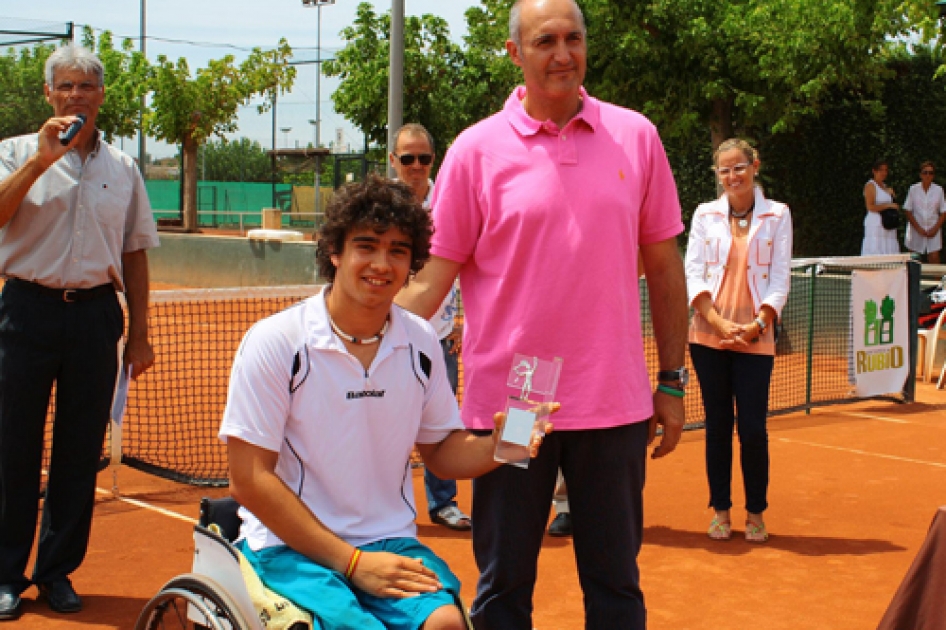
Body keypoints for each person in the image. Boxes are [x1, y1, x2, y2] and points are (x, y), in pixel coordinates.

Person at [396, 0, 689, 626]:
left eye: (574, 38)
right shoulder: (475, 151)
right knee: (503, 587)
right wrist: (339, 332)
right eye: (545, 40)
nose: (563, 54)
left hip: (615, 404)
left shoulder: (637, 137)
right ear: (515, 53)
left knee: (616, 587)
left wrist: (671, 380)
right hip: (512, 407)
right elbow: (430, 282)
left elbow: (665, 269)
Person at [220, 175, 554, 630]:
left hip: (389, 542)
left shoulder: (419, 341)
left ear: (412, 263)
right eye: (367, 246)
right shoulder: (277, 343)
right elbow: (248, 478)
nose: (382, 263)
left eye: (398, 250)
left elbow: (442, 451)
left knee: (446, 625)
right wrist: (354, 564)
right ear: (334, 252)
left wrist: (504, 443)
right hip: (290, 549)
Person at [0, 44, 158, 619]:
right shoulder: (14, 153)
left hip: (95, 318)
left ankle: (57, 572)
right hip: (24, 310)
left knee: (77, 452)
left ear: (101, 96)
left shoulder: (123, 168)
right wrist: (39, 162)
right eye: (64, 86)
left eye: (85, 87)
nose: (74, 97)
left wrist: (139, 333)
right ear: (48, 94)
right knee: (12, 446)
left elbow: (136, 252)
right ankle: (5, 575)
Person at [684, 138, 793, 543]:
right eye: (724, 170)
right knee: (717, 425)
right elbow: (692, 270)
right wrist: (714, 320)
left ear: (755, 166)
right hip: (707, 336)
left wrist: (757, 325)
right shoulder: (703, 214)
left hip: (755, 338)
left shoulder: (778, 215)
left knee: (752, 429)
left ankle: (756, 514)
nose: (732, 176)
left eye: (739, 167)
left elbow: (780, 277)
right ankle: (720, 512)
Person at [389, 123, 471, 532]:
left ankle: (444, 504)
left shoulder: (450, 201)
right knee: (386, 418)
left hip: (440, 337)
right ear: (394, 161)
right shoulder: (382, 207)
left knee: (443, 421)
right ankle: (383, 505)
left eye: (423, 158)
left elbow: (468, 268)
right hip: (388, 336)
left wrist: (463, 322)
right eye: (408, 159)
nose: (416, 166)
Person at [903, 161, 946, 263]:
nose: (928, 175)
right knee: (914, 258)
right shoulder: (913, 189)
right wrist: (918, 228)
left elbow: (944, 212)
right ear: (920, 174)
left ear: (933, 175)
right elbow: (907, 210)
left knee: (934, 258)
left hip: (933, 228)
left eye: (930, 173)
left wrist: (935, 229)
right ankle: (913, 279)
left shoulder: (939, 190)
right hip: (916, 229)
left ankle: (936, 279)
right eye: (925, 172)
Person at [862, 159, 900, 256]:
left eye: (886, 170)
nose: (884, 173)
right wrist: (888, 205)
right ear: (874, 171)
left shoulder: (885, 187)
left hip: (887, 224)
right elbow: (870, 206)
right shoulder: (870, 185)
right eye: (881, 170)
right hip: (876, 224)